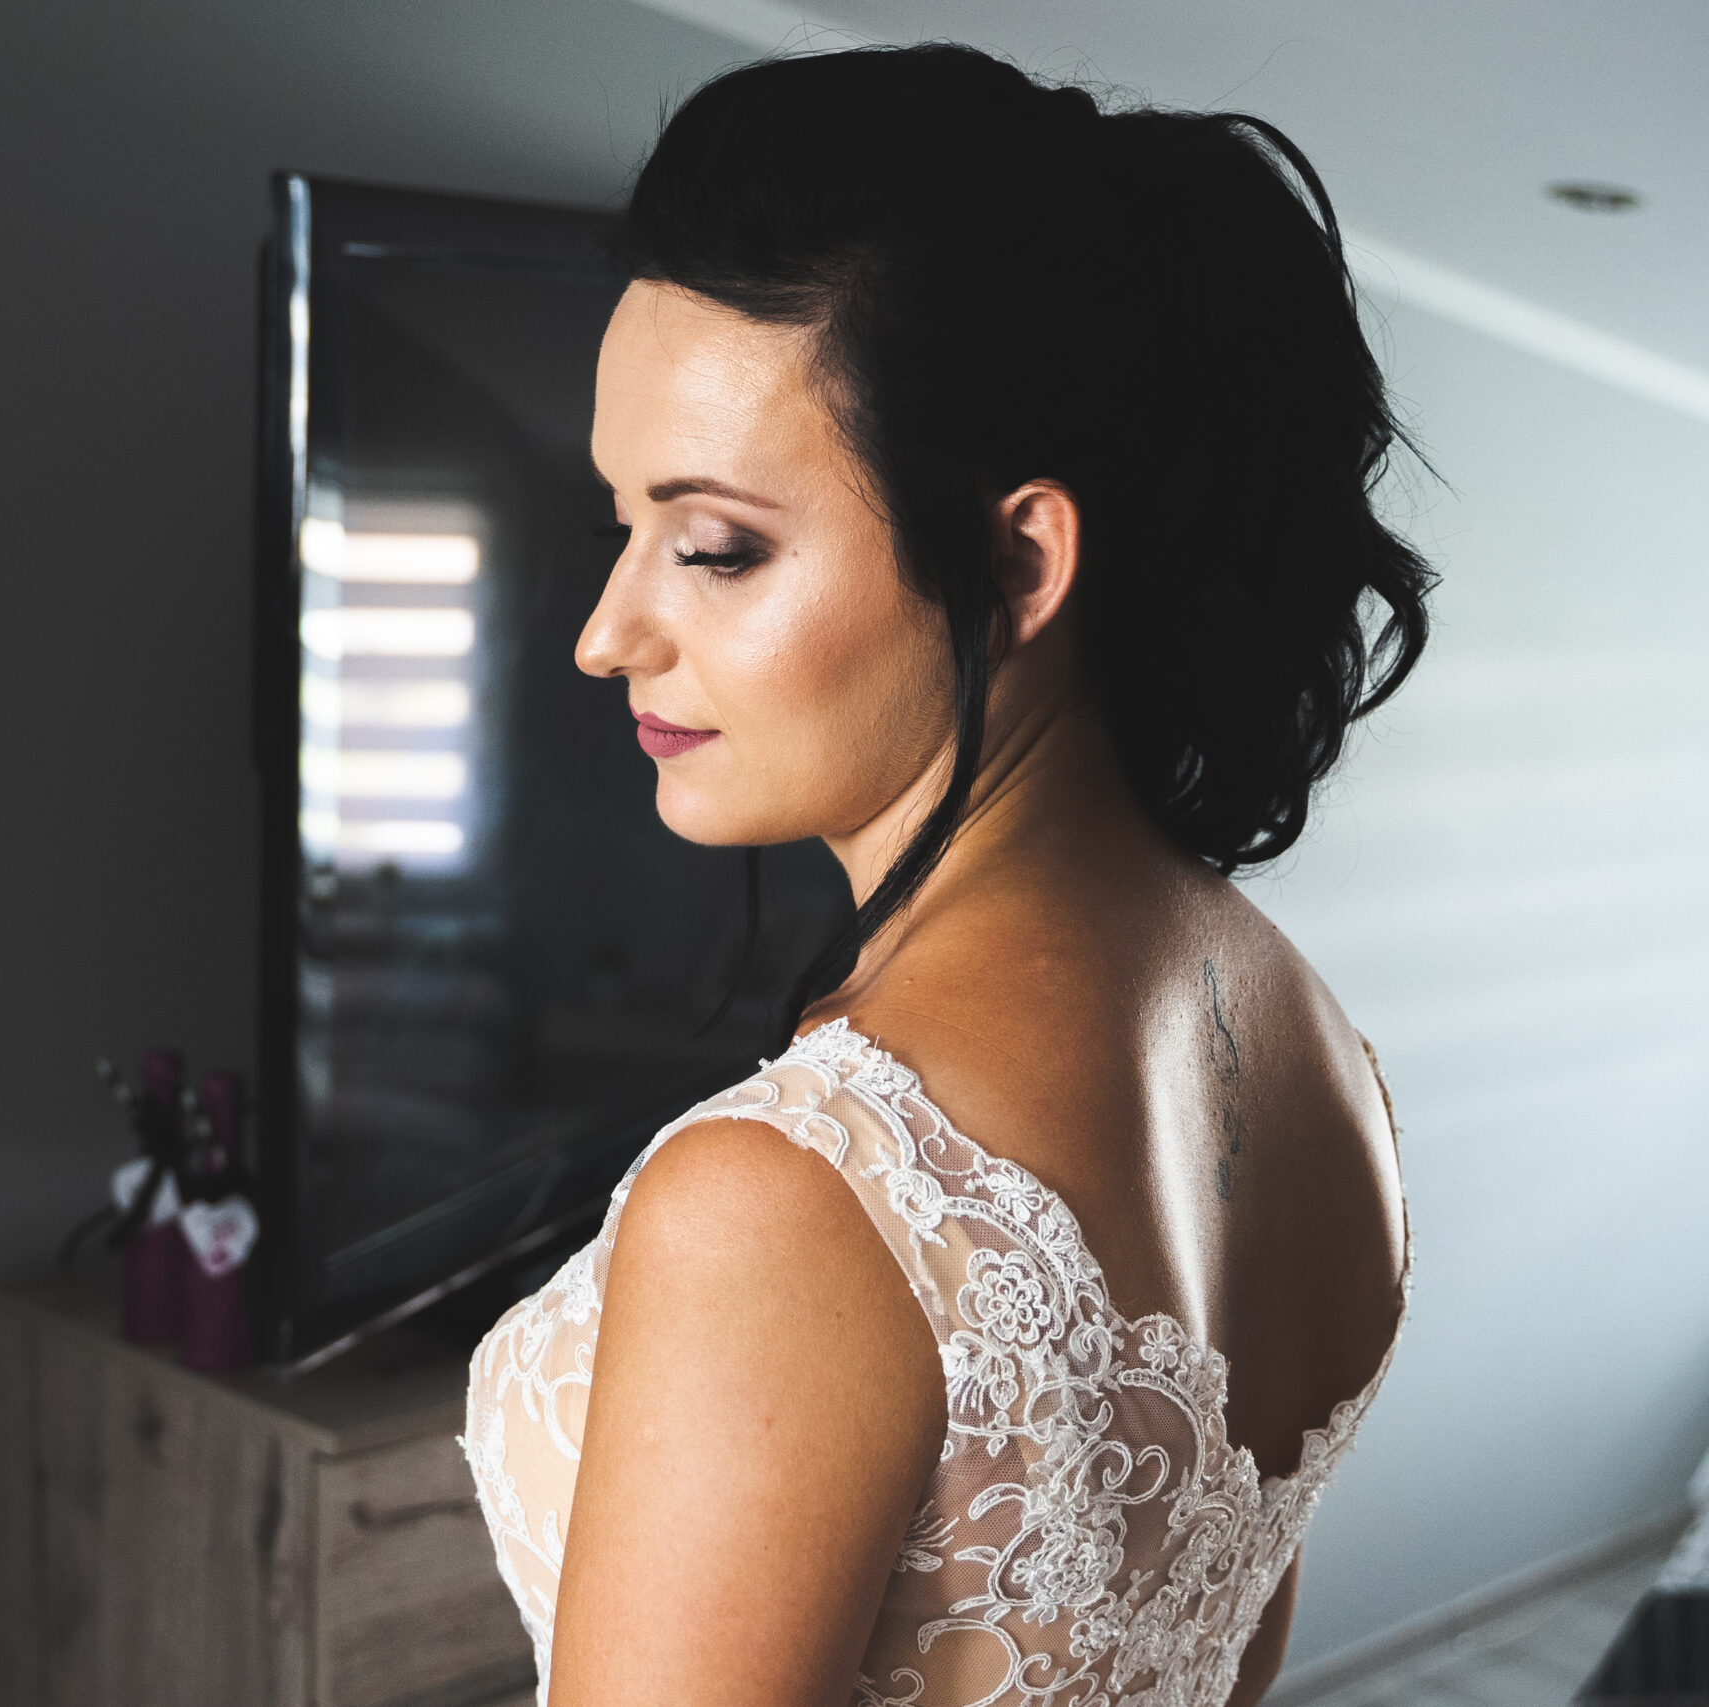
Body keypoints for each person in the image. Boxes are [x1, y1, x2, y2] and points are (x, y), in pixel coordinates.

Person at [459, 43, 1429, 1707]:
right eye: (624, 525)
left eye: (714, 548)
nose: (607, 634)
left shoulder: (779, 1203)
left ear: (1015, 559)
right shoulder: (1324, 1064)